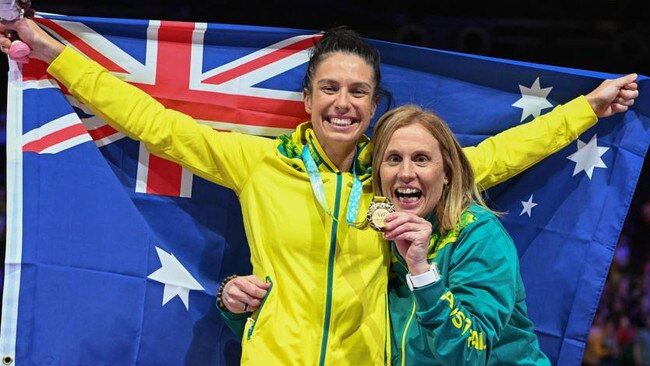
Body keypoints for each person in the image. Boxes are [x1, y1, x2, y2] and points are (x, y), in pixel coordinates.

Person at [0, 18, 638, 365]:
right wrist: (53, 53)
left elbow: (493, 157)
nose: (342, 102)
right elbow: (155, 125)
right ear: (306, 100)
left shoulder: (394, 174)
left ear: (371, 104)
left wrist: (589, 108)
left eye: (357, 91)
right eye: (329, 88)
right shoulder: (257, 164)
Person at [374, 104, 550, 364]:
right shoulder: (377, 234)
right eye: (394, 159)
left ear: (446, 173)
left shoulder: (479, 235)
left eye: (421, 159)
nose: (406, 173)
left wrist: (422, 273)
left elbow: (470, 354)